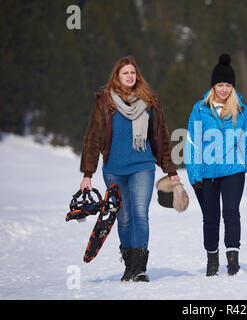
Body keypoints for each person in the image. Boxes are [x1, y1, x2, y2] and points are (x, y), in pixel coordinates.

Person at [79, 56, 179, 282]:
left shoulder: (150, 102)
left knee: (140, 215)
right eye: (125, 73)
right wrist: (88, 174)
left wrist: (169, 169)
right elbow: (93, 137)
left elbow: (161, 136)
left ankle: (139, 268)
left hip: (142, 166)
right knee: (123, 218)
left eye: (133, 73)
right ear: (117, 76)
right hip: (113, 168)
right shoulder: (105, 102)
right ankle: (128, 266)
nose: (130, 76)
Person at [184, 54, 247, 276]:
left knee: (231, 212)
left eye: (228, 85)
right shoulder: (200, 109)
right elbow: (192, 144)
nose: (224, 89)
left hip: (234, 171)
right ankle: (212, 262)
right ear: (213, 85)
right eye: (220, 84)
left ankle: (233, 262)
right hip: (207, 173)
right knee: (210, 218)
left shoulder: (241, 110)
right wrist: (194, 176)